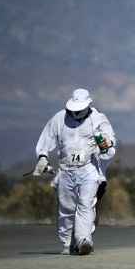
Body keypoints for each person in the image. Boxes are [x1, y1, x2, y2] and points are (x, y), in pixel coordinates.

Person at [34, 88, 116, 255]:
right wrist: (42, 157)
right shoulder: (59, 118)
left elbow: (110, 147)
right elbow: (46, 138)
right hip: (65, 169)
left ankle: (84, 240)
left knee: (86, 205)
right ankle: (66, 242)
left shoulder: (98, 119)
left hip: (88, 169)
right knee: (66, 208)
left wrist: (106, 145)